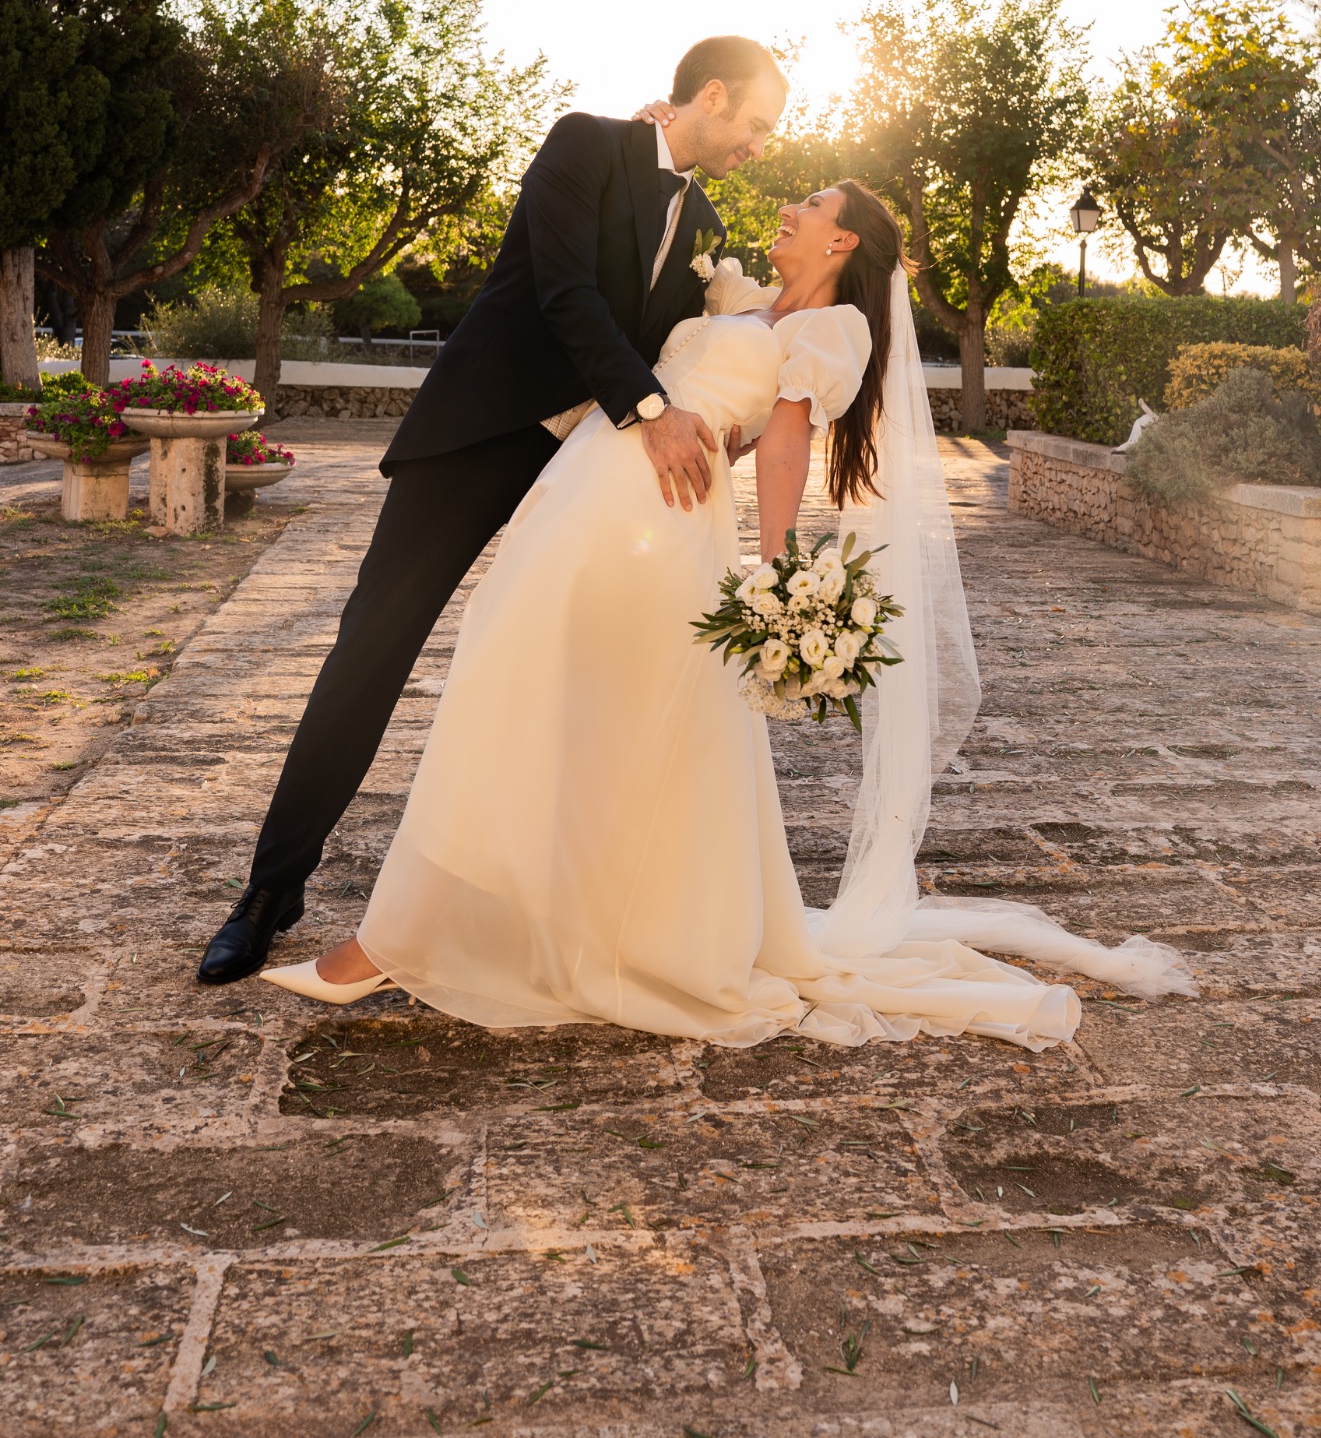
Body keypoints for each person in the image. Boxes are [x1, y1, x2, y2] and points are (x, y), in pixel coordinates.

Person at [259, 173, 1194, 1045]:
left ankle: (397, 940)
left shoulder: (832, 329)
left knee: (530, 689)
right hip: (583, 487)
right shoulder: (738, 298)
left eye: (811, 203)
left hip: (659, 517)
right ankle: (536, 918)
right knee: (540, 691)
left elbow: (781, 446)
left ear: (843, 239)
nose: (789, 207)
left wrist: (776, 571)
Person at [197, 35, 790, 985]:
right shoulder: (585, 142)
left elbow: (677, 345)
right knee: (372, 650)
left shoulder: (707, 219)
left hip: (591, 469)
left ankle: (542, 911)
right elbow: (564, 293)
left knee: (575, 675)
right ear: (710, 95)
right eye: (755, 124)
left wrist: (722, 415)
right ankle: (271, 891)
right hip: (483, 431)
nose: (759, 147)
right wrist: (653, 411)